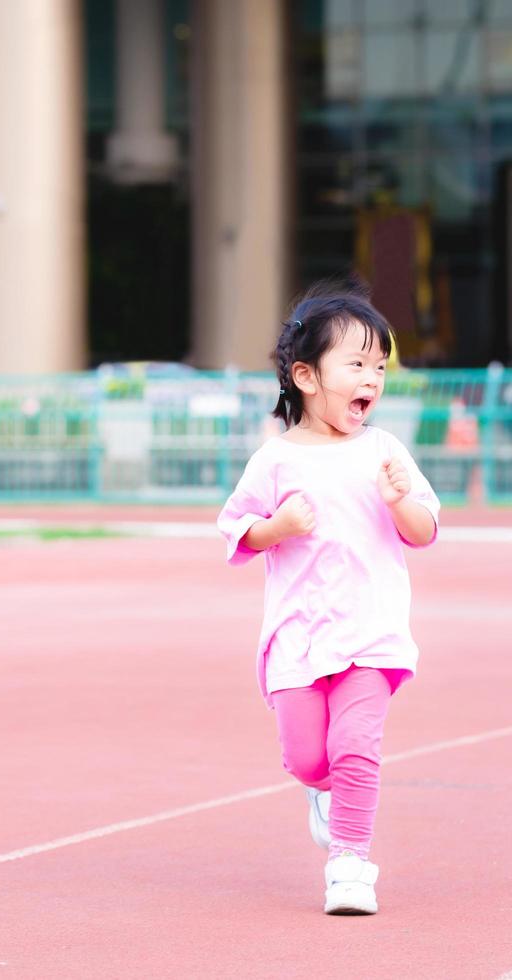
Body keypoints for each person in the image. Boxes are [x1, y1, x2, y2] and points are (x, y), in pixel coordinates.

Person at [216, 284, 440, 915]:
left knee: (357, 748)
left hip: (370, 633)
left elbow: (423, 531)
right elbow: (236, 530)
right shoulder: (275, 459)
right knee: (307, 756)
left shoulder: (385, 451)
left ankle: (350, 863)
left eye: (379, 367)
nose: (372, 378)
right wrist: (277, 528)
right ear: (307, 376)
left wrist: (400, 502)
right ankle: (324, 790)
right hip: (298, 636)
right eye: (357, 364)